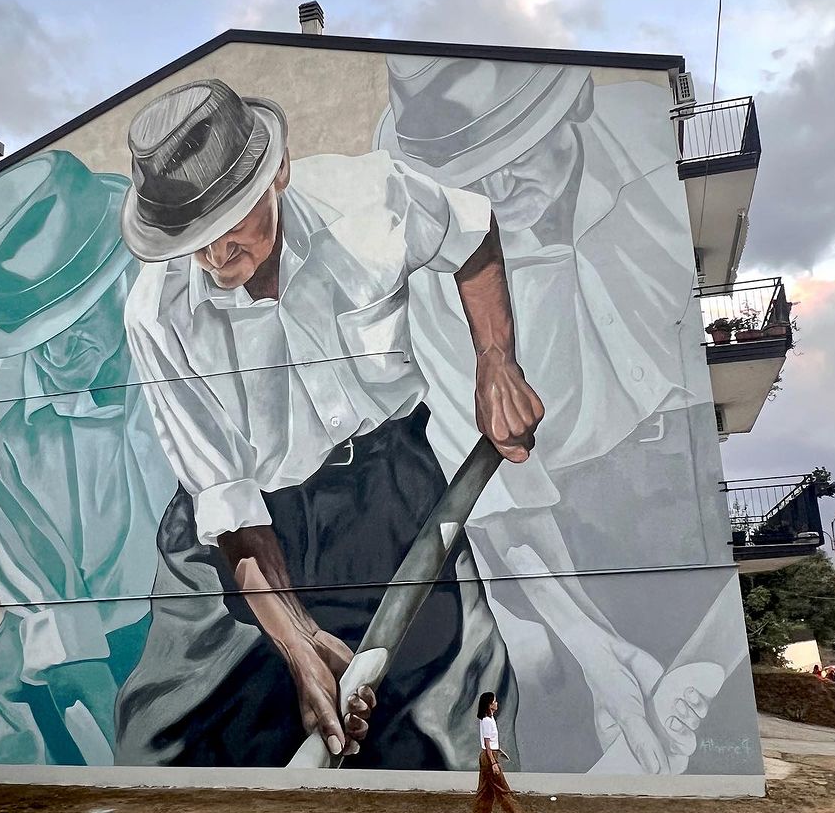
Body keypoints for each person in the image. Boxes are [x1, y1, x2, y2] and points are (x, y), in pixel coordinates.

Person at [114, 78, 543, 769]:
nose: (213, 257)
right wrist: (298, 638)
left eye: (228, 224)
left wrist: (496, 361)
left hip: (391, 489)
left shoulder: (371, 200)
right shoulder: (155, 315)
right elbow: (227, 502)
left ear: (278, 173)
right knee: (167, 742)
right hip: (246, 526)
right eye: (191, 240)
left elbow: (473, 234)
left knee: (455, 712)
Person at [376, 55, 720, 775]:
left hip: (688, 479)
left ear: (578, 102)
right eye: (472, 179)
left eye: (517, 155)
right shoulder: (434, 271)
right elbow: (503, 504)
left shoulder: (653, 152)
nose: (498, 192)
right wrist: (595, 651)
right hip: (564, 518)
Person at [0, 150, 177, 766]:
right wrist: (123, 760)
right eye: (32, 329)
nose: (53, 349)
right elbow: (50, 607)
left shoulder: (185, 345)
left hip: (196, 618)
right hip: (65, 633)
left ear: (119, 276)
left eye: (72, 316)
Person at [470, 691, 537, 813]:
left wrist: (498, 752)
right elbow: (487, 745)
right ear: (489, 705)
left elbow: (491, 743)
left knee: (485, 791)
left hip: (489, 755)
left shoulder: (489, 719)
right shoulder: (487, 721)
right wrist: (494, 762)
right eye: (494, 701)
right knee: (503, 789)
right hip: (489, 757)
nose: (497, 703)